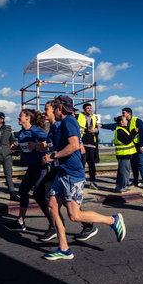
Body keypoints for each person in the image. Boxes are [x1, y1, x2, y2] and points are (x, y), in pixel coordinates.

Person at [42, 95, 126, 260]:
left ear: (60, 108)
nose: (53, 110)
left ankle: (113, 220)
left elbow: (74, 146)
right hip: (63, 173)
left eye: (55, 107)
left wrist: (54, 156)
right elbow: (79, 149)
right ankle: (64, 248)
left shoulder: (69, 121)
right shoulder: (63, 124)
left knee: (75, 215)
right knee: (52, 207)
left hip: (72, 175)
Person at [4, 109, 47, 231]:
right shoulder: (22, 132)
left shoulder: (36, 130)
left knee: (43, 197)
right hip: (32, 167)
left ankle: (55, 223)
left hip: (40, 168)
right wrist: (16, 148)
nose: (18, 117)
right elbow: (26, 148)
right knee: (24, 191)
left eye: (20, 116)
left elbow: (49, 141)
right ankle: (21, 222)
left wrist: (37, 145)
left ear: (27, 118)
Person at [76, 103, 99, 189]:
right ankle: (80, 182)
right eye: (87, 108)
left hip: (92, 144)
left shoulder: (93, 117)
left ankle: (92, 182)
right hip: (83, 144)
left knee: (92, 165)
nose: (89, 109)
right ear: (84, 109)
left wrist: (94, 130)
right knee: (82, 164)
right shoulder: (79, 116)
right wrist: (81, 131)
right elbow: (77, 127)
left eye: (90, 108)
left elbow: (97, 129)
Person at [113, 115, 138, 193]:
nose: (127, 121)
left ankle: (123, 186)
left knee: (125, 171)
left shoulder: (123, 129)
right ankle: (120, 187)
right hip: (123, 154)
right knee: (123, 172)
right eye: (125, 120)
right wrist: (133, 132)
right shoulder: (120, 130)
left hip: (126, 154)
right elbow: (127, 140)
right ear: (121, 122)